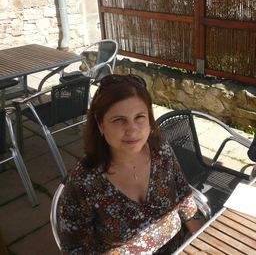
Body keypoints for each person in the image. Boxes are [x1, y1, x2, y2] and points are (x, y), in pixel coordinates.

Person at [58, 74, 204, 254]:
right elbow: (75, 249)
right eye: (119, 120)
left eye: (139, 117)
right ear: (100, 124)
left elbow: (183, 194)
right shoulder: (83, 183)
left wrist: (202, 238)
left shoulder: (161, 150)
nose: (132, 129)